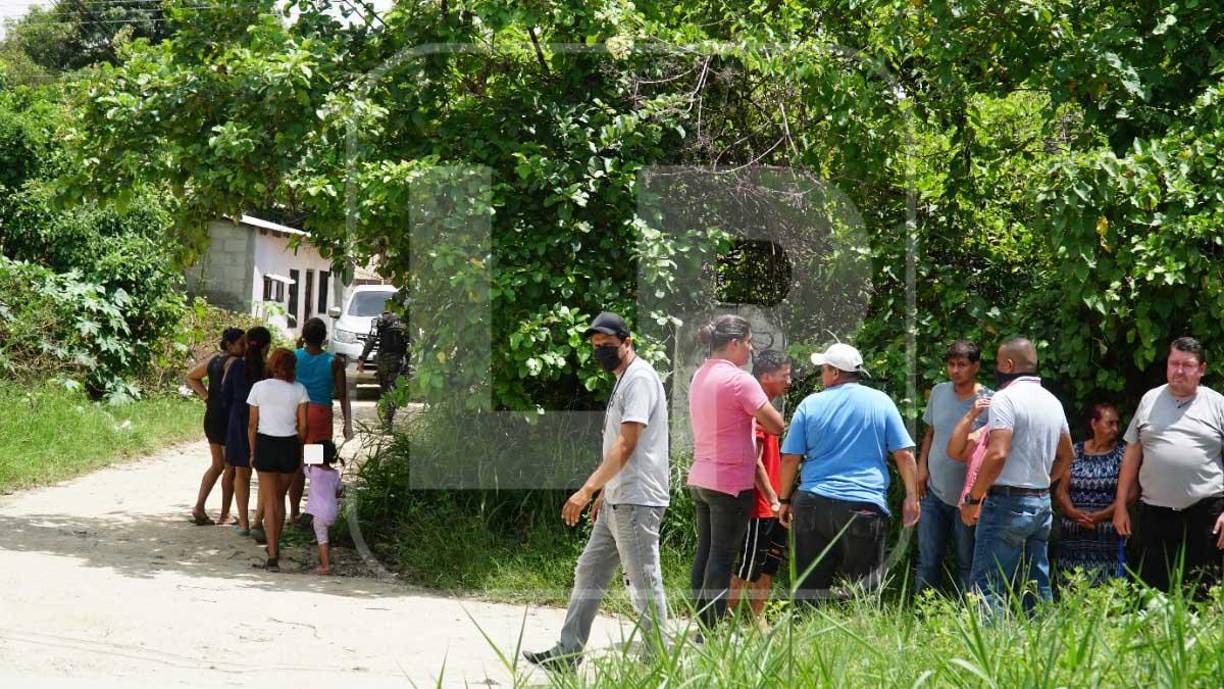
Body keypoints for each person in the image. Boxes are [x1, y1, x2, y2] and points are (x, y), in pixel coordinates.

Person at [523, 312, 670, 671]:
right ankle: (568, 651)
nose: (601, 350)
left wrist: (587, 489)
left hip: (637, 500)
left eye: (608, 345)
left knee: (644, 583)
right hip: (618, 499)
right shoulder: (623, 378)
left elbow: (627, 443)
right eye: (596, 346)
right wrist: (605, 489)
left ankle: (660, 662)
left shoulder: (639, 379)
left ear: (627, 343)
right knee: (589, 571)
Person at [777, 343, 919, 604]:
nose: (821, 375)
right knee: (863, 591)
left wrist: (783, 500)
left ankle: (806, 639)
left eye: (823, 369)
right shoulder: (881, 402)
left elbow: (789, 459)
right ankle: (860, 635)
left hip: (812, 504)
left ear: (834, 373)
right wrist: (912, 497)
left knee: (809, 588)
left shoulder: (810, 404)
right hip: (863, 506)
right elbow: (904, 454)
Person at [960, 338, 1073, 614]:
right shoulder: (1052, 401)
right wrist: (1043, 481)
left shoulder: (1005, 398)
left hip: (1006, 504)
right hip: (1041, 503)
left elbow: (997, 453)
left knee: (988, 587)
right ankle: (1044, 646)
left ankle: (988, 652)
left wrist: (974, 498)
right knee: (1037, 585)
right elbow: (1067, 455)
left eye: (998, 364)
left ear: (1009, 365)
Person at [688, 315, 785, 628]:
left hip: (702, 477)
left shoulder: (699, 375)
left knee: (705, 553)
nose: (750, 349)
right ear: (733, 344)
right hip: (730, 483)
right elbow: (775, 425)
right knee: (722, 558)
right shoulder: (739, 380)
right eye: (747, 343)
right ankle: (711, 631)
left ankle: (701, 622)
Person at [1112, 337, 1224, 593]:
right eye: (1174, 363)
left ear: (1202, 369)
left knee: (1203, 589)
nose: (1179, 371)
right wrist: (1120, 505)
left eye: (1187, 365)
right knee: (1154, 591)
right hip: (1156, 513)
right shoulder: (1149, 400)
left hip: (1205, 512)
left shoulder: (1218, 404)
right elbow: (1131, 453)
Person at [915, 341, 991, 594]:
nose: (955, 370)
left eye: (962, 365)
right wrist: (921, 466)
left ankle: (966, 615)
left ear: (976, 366)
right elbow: (931, 433)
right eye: (951, 364)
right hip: (933, 492)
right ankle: (921, 613)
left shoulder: (989, 401)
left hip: (967, 497)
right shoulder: (938, 392)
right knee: (927, 560)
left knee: (966, 563)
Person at [727, 349, 792, 621]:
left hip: (775, 505)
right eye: (784, 376)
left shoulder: (769, 410)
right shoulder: (755, 411)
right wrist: (773, 499)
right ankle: (724, 621)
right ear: (765, 377)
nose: (789, 381)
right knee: (747, 567)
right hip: (759, 506)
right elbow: (754, 462)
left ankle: (758, 621)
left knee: (768, 567)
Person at [247, 347, 310, 572]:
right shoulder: (300, 390)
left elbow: (253, 424)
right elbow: (304, 426)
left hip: (266, 444)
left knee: (271, 501)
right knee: (279, 498)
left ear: (272, 365)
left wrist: (253, 452)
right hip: (289, 446)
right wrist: (298, 445)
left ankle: (272, 554)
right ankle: (275, 544)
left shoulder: (259, 388)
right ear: (293, 367)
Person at [289, 317, 353, 526]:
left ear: (304, 336)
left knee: (298, 464)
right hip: (319, 417)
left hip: (297, 413)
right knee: (316, 464)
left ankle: (294, 512)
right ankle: (314, 511)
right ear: (324, 338)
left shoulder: (294, 357)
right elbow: (343, 394)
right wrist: (348, 423)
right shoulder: (333, 362)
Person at [1054, 403, 1126, 584]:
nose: (1115, 429)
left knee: (1106, 588)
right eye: (1110, 423)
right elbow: (1061, 489)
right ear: (1094, 424)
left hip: (1106, 534)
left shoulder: (1122, 454)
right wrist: (1073, 513)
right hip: (1074, 533)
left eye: (1117, 424)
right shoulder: (1076, 451)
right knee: (1072, 585)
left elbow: (1130, 494)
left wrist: (1101, 516)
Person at [184, 328, 245, 526]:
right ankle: (224, 514)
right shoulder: (235, 363)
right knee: (230, 467)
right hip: (227, 417)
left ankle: (199, 507)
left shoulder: (214, 359)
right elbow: (229, 388)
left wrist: (207, 396)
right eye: (241, 344)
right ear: (229, 345)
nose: (244, 348)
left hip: (211, 415)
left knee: (217, 464)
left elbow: (192, 376)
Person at [221, 326, 271, 536]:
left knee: (241, 473)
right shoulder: (269, 370)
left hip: (238, 420)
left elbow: (225, 397)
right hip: (263, 422)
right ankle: (258, 521)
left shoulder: (234, 366)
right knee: (263, 475)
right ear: (267, 347)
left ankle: (243, 523)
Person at [357, 303, 409, 427]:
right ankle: (388, 417)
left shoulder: (381, 319)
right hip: (400, 358)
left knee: (386, 387)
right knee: (393, 386)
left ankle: (387, 419)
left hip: (385, 358)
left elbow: (372, 339)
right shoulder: (405, 320)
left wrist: (362, 358)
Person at [304, 440, 342, 575]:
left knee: (322, 539)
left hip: (319, 513)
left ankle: (325, 566)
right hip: (332, 511)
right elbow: (339, 491)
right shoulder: (335, 473)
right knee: (324, 537)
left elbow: (302, 468)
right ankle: (322, 560)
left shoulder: (313, 471)